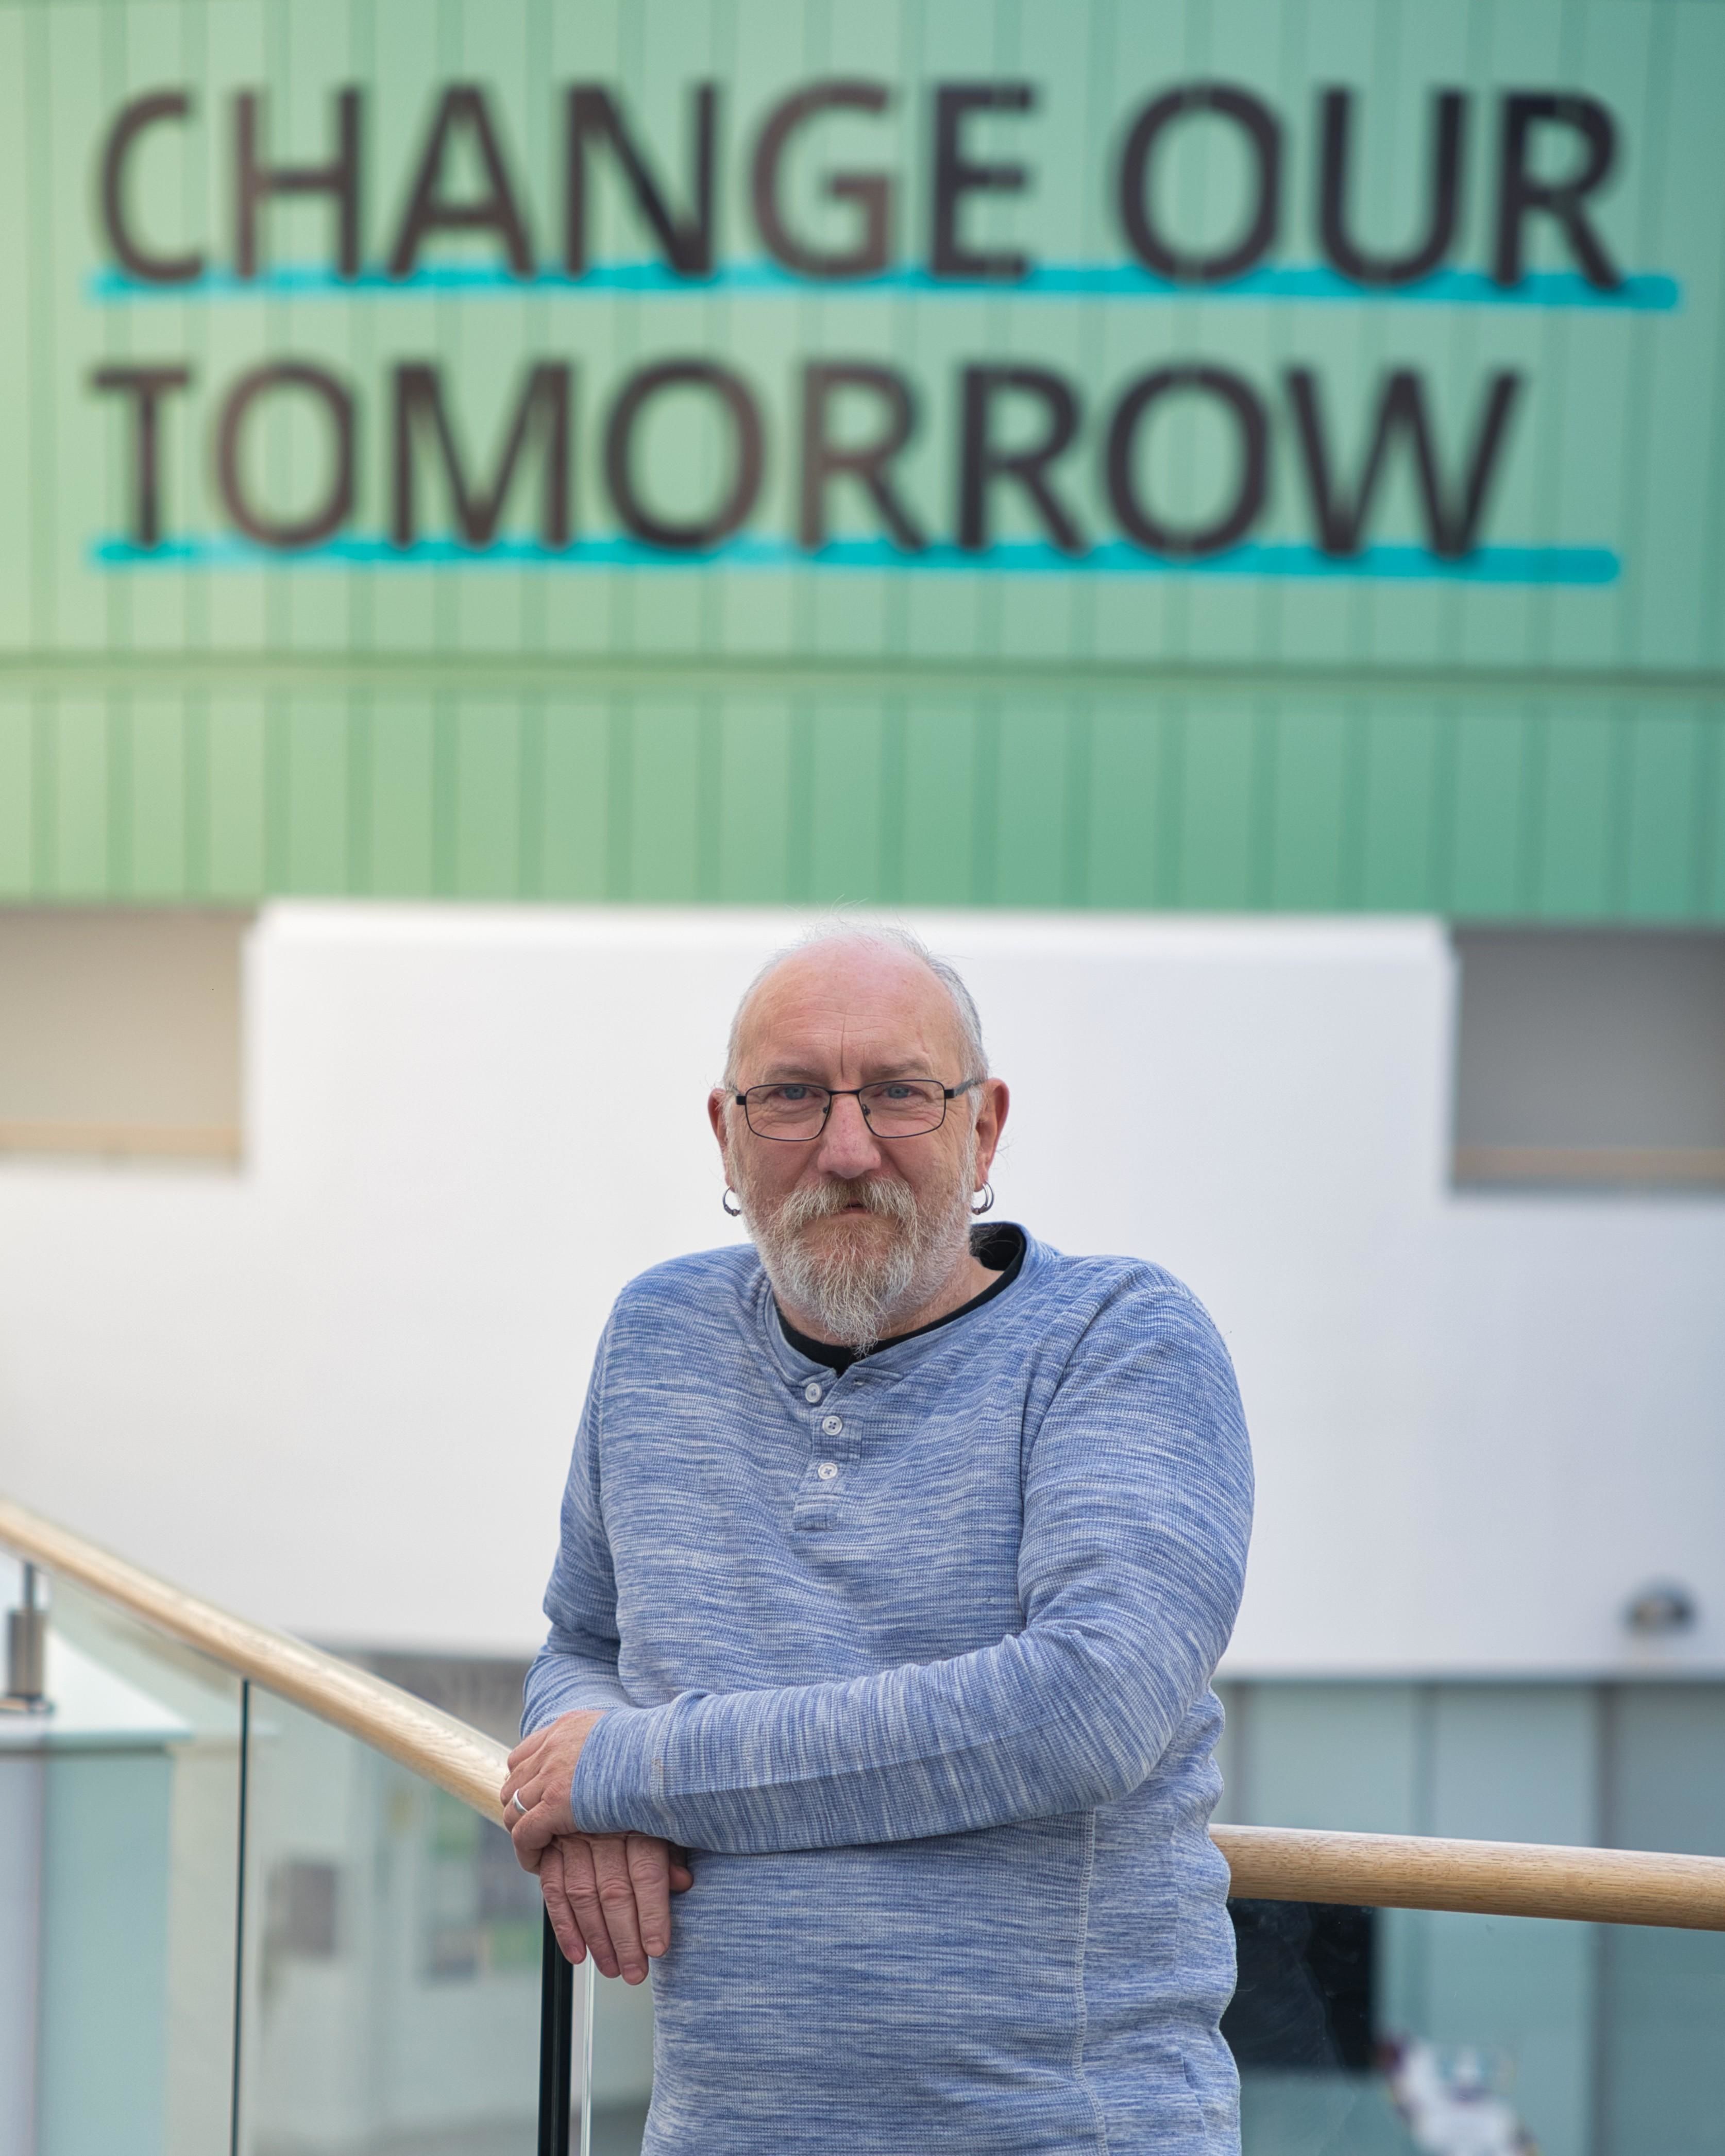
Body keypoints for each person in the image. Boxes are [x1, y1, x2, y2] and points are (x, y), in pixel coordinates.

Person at [503, 924, 1254, 2154]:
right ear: (726, 1135)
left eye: (900, 1093)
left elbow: (1089, 1705)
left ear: (985, 1126)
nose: (846, 1149)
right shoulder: (657, 1335)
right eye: (792, 1095)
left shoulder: (1123, 1339)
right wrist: (583, 1777)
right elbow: (582, 1639)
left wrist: (629, 1768)